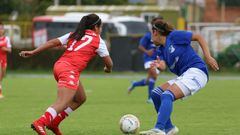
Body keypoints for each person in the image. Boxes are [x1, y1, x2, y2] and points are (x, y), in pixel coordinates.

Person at [19, 13, 113, 135]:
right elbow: (109, 63)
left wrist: (33, 52)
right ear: (96, 28)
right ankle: (41, 122)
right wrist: (108, 69)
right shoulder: (98, 40)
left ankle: (54, 123)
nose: (100, 30)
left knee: (80, 98)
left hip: (60, 66)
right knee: (62, 102)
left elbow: (53, 42)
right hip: (69, 70)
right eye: (101, 27)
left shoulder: (75, 35)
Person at [139, 20, 219, 135]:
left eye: (151, 34)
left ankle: (158, 129)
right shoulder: (161, 49)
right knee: (156, 94)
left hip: (197, 72)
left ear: (155, 32)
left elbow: (198, 37)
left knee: (167, 95)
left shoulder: (174, 36)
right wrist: (160, 66)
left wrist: (208, 56)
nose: (151, 39)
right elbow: (163, 66)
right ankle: (169, 128)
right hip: (185, 75)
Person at [128, 17, 164, 103]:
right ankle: (150, 98)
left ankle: (134, 84)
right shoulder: (148, 36)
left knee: (149, 81)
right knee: (154, 76)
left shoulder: (162, 37)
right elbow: (140, 46)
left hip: (157, 60)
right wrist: (147, 51)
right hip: (148, 60)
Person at [0, 22, 12, 99]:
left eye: (1, 28)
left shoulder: (6, 39)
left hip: (4, 59)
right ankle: (0, 93)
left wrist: (5, 49)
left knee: (2, 75)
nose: (0, 30)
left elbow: (10, 50)